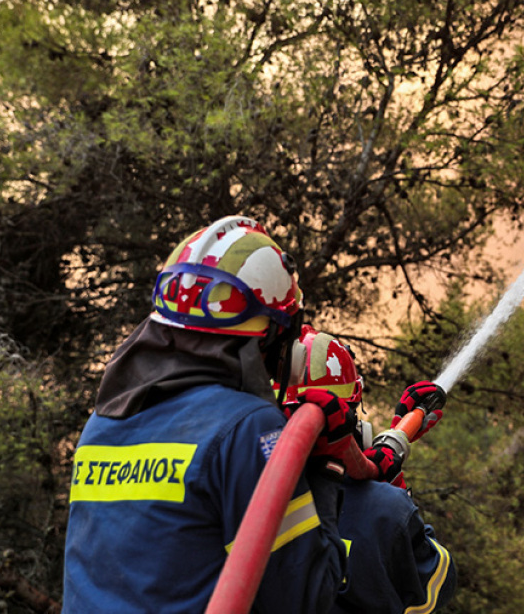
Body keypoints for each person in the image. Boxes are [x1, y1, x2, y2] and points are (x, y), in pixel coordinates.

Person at [62, 215, 354, 613]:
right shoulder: (248, 428)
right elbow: (302, 596)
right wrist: (326, 470)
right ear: (269, 335)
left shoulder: (102, 424)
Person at [283, 328, 457, 614]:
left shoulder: (241, 485)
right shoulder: (384, 509)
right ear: (352, 417)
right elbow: (437, 585)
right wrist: (391, 485)